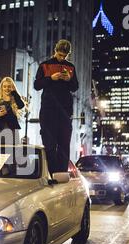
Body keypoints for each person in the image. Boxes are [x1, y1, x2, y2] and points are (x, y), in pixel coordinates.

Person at [34, 39, 79, 173]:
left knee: (64, 145)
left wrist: (69, 80)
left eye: (64, 56)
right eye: (60, 55)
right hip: (48, 111)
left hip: (65, 111)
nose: (62, 58)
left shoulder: (71, 67)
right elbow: (37, 85)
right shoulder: (44, 65)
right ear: (55, 51)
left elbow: (75, 87)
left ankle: (62, 174)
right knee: (50, 145)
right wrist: (50, 78)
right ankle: (51, 174)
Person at [0, 77, 26, 145]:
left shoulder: (14, 99)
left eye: (9, 86)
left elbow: (21, 105)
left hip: (13, 132)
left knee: (13, 154)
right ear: (1, 88)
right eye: (4, 86)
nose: (7, 88)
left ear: (12, 87)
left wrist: (14, 92)